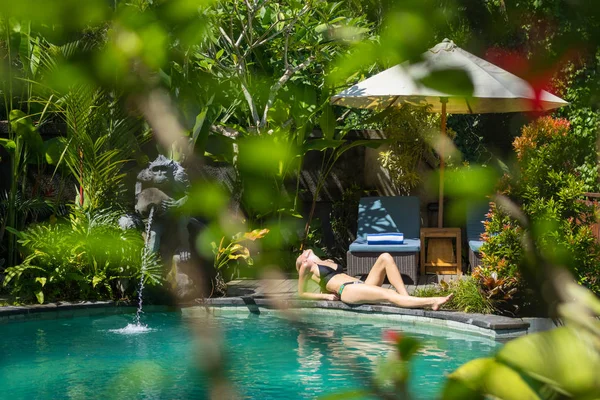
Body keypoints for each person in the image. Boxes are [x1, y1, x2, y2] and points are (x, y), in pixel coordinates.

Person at [296, 249, 453, 310]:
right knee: (388, 294)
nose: (304, 250)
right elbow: (301, 294)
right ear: (302, 261)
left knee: (385, 257)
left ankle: (406, 297)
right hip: (348, 291)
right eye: (302, 253)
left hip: (359, 285)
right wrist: (326, 296)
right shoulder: (306, 267)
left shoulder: (325, 260)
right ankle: (432, 301)